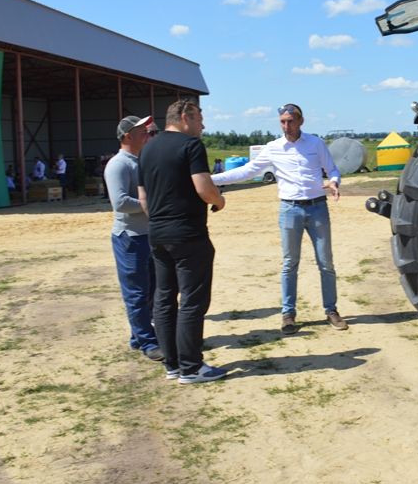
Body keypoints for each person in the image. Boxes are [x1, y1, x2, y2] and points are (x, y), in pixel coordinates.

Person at [211, 102, 346, 335]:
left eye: (291, 121)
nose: (286, 126)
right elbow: (247, 171)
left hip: (317, 208)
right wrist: (210, 179)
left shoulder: (316, 143)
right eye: (283, 121)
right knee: (289, 264)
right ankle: (288, 314)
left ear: (301, 121)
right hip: (289, 210)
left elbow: (332, 169)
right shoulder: (274, 148)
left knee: (326, 262)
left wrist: (334, 182)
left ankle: (331, 310)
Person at [138, 99, 228, 385]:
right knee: (192, 300)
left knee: (164, 298)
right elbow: (203, 187)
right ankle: (192, 367)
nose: (203, 124)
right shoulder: (191, 146)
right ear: (186, 116)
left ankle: (173, 364)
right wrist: (220, 200)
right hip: (188, 234)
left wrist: (160, 221)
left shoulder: (147, 148)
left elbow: (143, 198)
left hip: (158, 233)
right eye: (200, 118)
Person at [104, 114, 162, 362]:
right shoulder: (119, 165)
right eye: (142, 131)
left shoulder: (140, 161)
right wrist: (153, 203)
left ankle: (139, 337)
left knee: (150, 290)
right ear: (128, 135)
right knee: (137, 293)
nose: (147, 134)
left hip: (146, 235)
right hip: (130, 237)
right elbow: (119, 202)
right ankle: (148, 342)